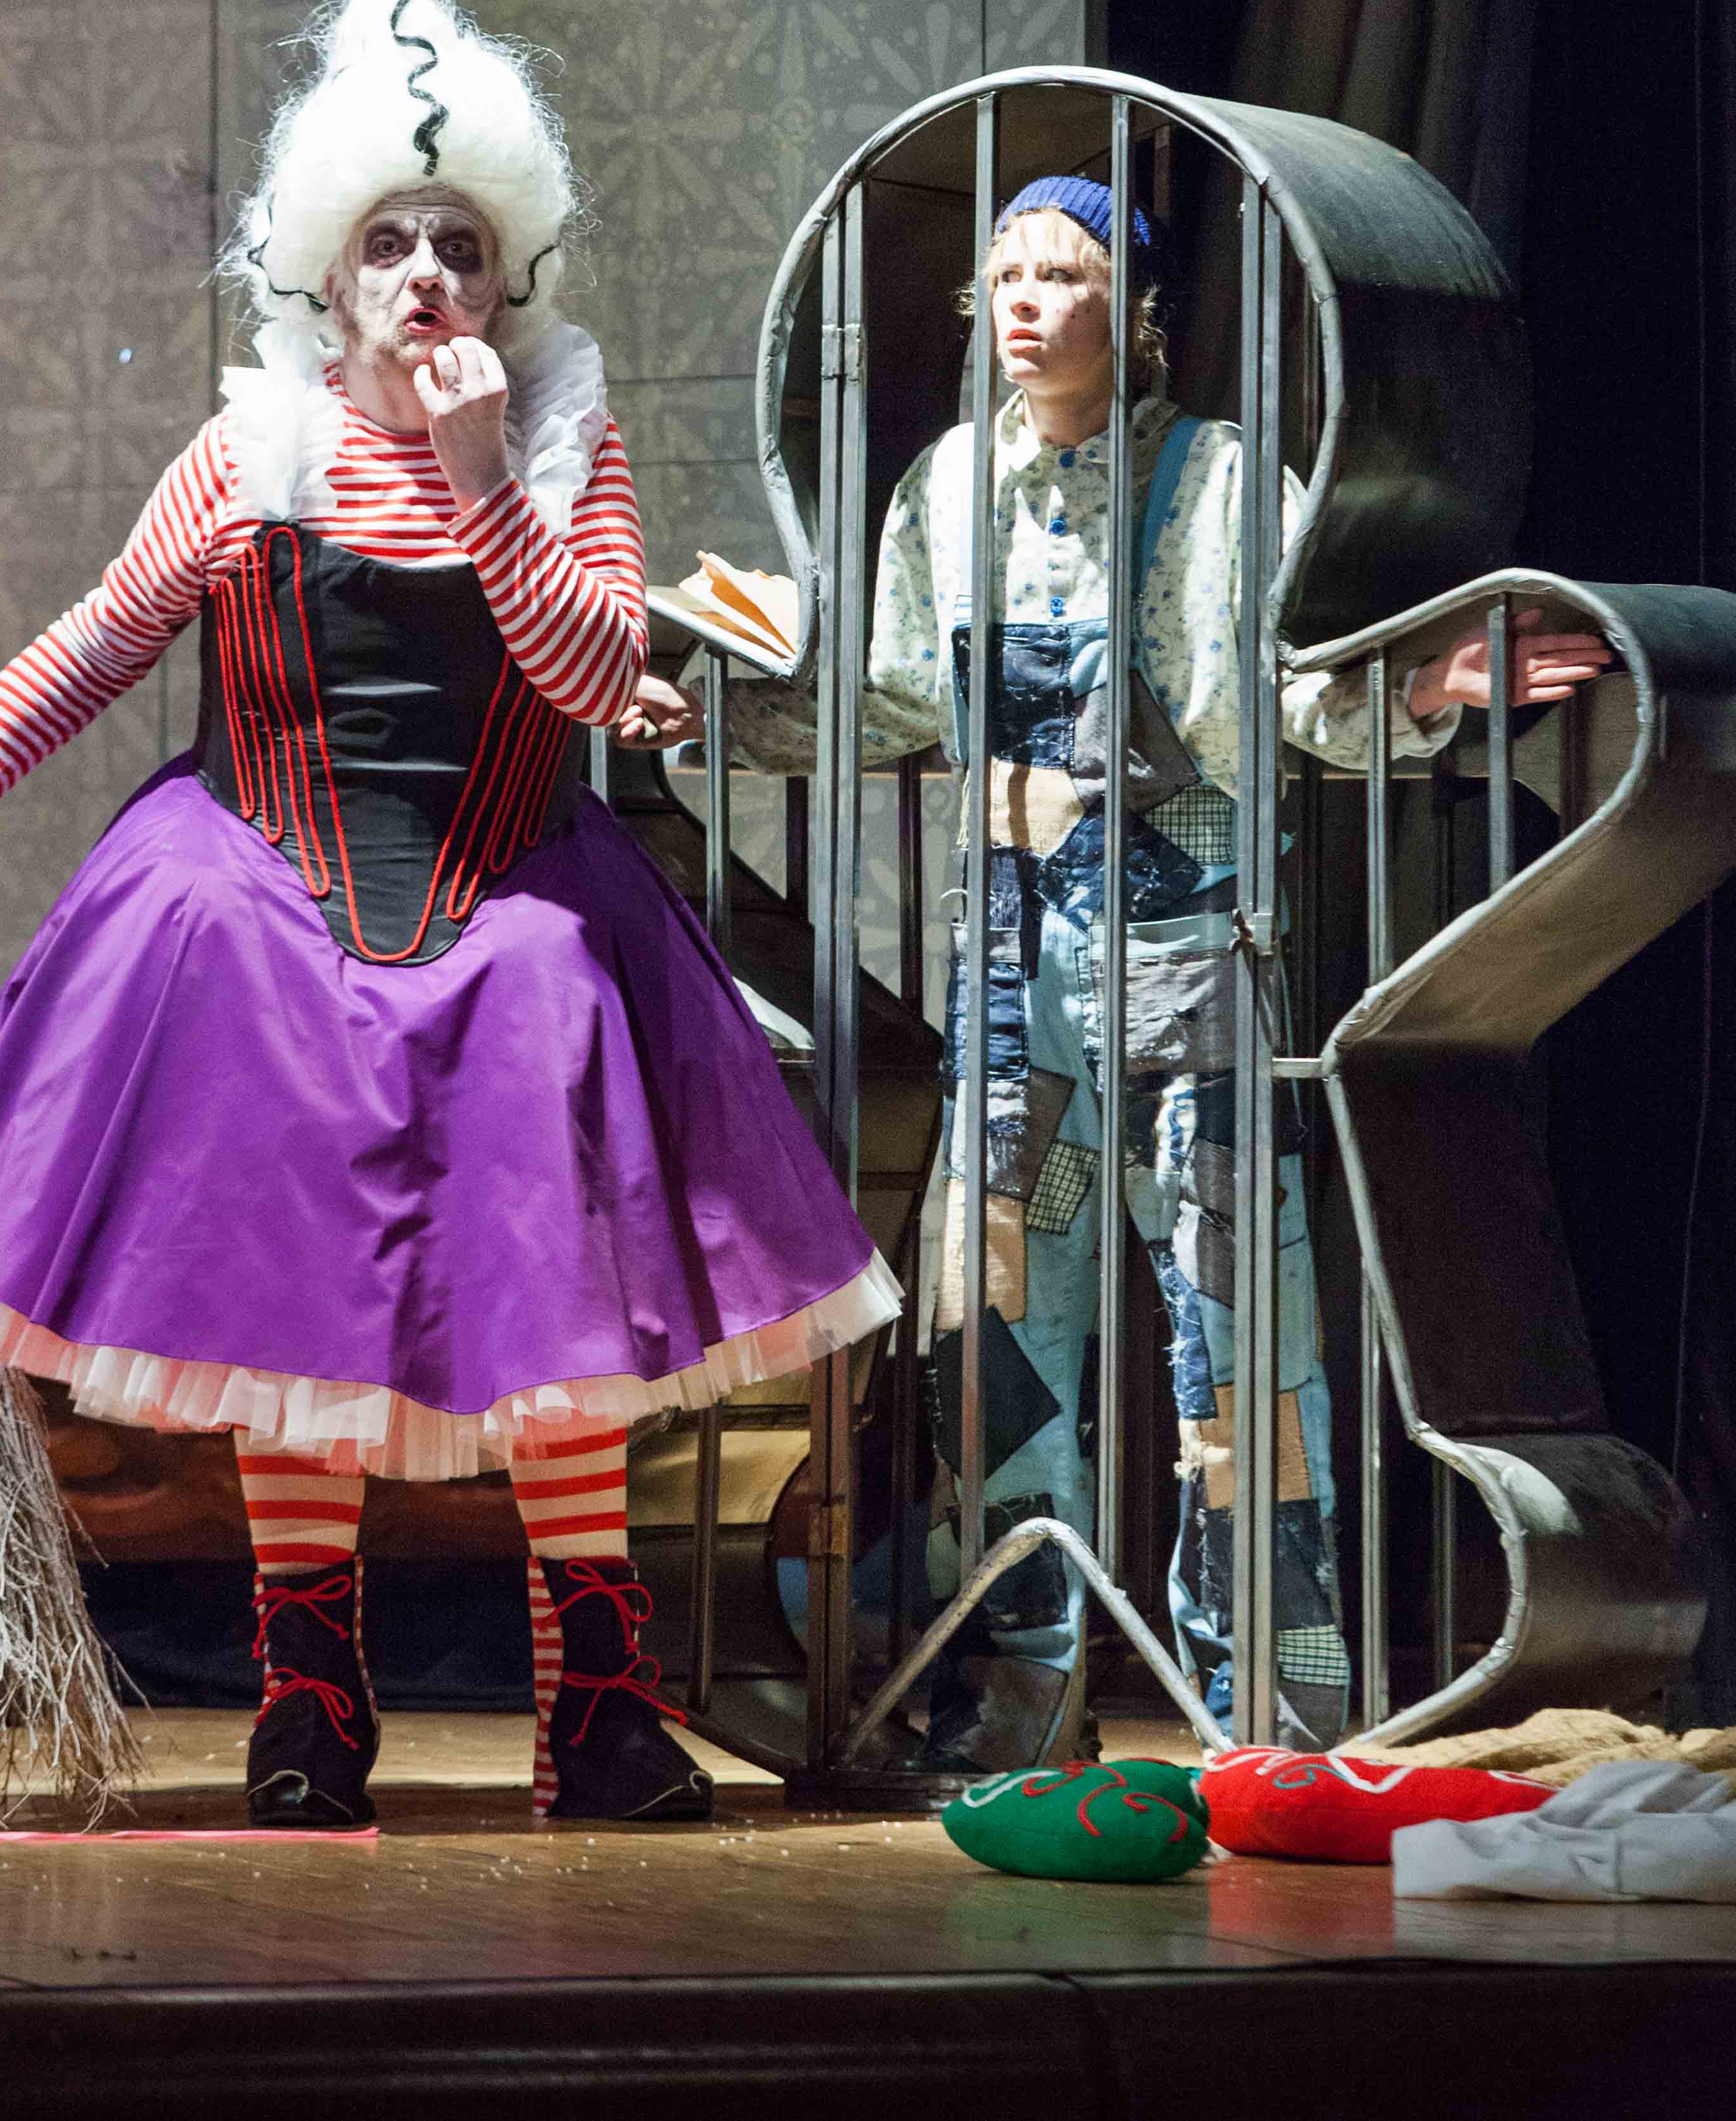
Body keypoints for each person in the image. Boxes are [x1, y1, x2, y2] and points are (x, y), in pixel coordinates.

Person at [0, 0, 895, 1830]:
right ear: (327, 270)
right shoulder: (251, 448)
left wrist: (480, 472)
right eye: (389, 242)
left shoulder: (561, 435)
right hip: (260, 888)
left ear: (508, 274)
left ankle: (592, 1700)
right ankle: (309, 1694)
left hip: (512, 886)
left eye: (461, 244)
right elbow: (103, 634)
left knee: (557, 1257)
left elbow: (585, 678)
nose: (426, 274)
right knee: (283, 1291)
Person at [668, 172, 1607, 1768]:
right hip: (1009, 988)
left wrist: (1421, 686)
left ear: (1138, 310)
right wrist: (714, 708)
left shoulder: (1218, 478)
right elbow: (891, 698)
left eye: (1062, 274)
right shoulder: (946, 486)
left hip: (1183, 974)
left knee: (1238, 1342)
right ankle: (1011, 1698)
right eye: (1003, 278)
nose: (1023, 303)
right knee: (995, 1343)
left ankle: (1271, 1702)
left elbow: (1290, 701)